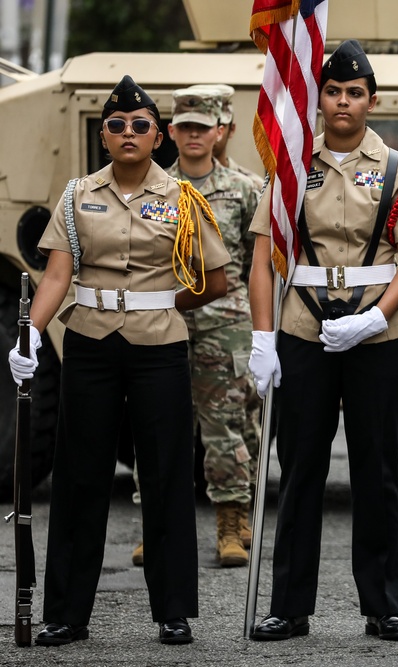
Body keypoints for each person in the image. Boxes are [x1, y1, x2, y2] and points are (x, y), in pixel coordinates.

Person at [6, 75, 229, 645]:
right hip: (90, 341)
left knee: (167, 474)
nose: (127, 133)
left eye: (139, 125)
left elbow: (216, 276)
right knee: (79, 475)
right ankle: (67, 612)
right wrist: (29, 337)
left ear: (159, 137)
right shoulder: (77, 195)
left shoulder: (185, 198)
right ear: (103, 136)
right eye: (115, 125)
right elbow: (56, 274)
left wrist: (160, 302)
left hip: (159, 344)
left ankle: (173, 609)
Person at [247, 40, 398, 642]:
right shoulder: (291, 168)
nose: (344, 101)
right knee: (299, 470)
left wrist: (376, 318)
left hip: (378, 335)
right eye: (333, 91)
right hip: (303, 330)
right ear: (318, 98)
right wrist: (263, 338)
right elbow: (263, 260)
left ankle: (384, 606)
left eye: (355, 92)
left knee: (378, 472)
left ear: (373, 101)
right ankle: (289, 606)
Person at [166, 87, 260, 565]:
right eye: (186, 127)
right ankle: (158, 525)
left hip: (226, 324)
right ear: (172, 132)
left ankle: (231, 523)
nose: (194, 135)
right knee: (159, 423)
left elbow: (258, 262)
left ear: (218, 131)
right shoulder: (156, 189)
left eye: (203, 128)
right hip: (165, 321)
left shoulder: (244, 189)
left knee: (227, 424)